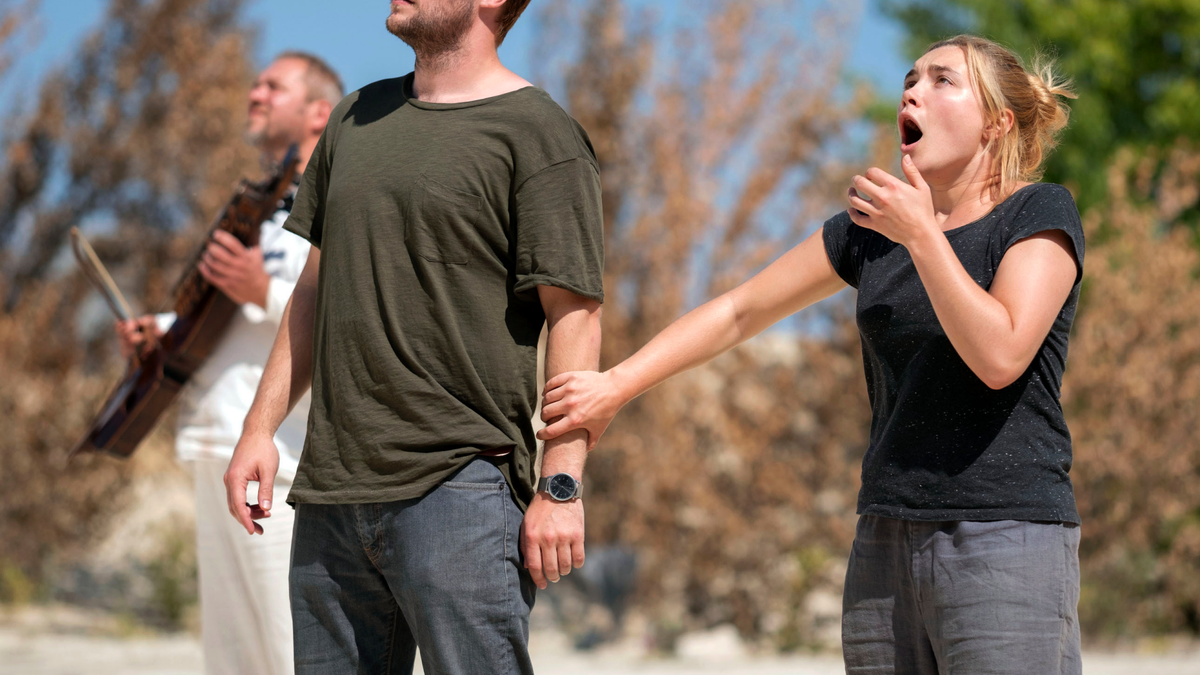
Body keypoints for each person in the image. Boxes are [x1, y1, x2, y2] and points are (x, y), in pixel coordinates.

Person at [538, 34, 1084, 674]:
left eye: (942, 80)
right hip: (884, 540)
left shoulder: (1039, 212)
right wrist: (615, 386)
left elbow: (1001, 355)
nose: (912, 90)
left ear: (997, 122)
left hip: (1005, 537)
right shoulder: (868, 230)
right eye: (910, 78)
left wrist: (921, 237)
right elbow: (741, 311)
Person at [223, 1, 604, 673]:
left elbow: (576, 317)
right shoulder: (352, 116)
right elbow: (315, 286)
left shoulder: (540, 132)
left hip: (461, 492)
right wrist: (260, 427)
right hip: (330, 494)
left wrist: (561, 483)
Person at [116, 51, 343, 675]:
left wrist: (260, 291)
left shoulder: (342, 199)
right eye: (255, 82)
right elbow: (222, 322)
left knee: (293, 651)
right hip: (218, 447)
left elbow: (350, 318)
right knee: (232, 658)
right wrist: (160, 332)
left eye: (274, 85)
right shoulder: (259, 206)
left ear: (318, 110)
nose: (255, 93)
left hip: (287, 464)